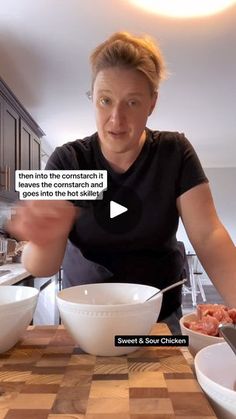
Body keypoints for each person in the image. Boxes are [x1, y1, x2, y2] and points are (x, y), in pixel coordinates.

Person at [8, 31, 236, 334]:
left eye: (132, 102)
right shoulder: (69, 162)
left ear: (152, 103)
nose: (116, 119)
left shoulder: (173, 153)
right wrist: (43, 237)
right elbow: (42, 266)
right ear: (92, 97)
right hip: (84, 321)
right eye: (105, 100)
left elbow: (208, 236)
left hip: (159, 322)